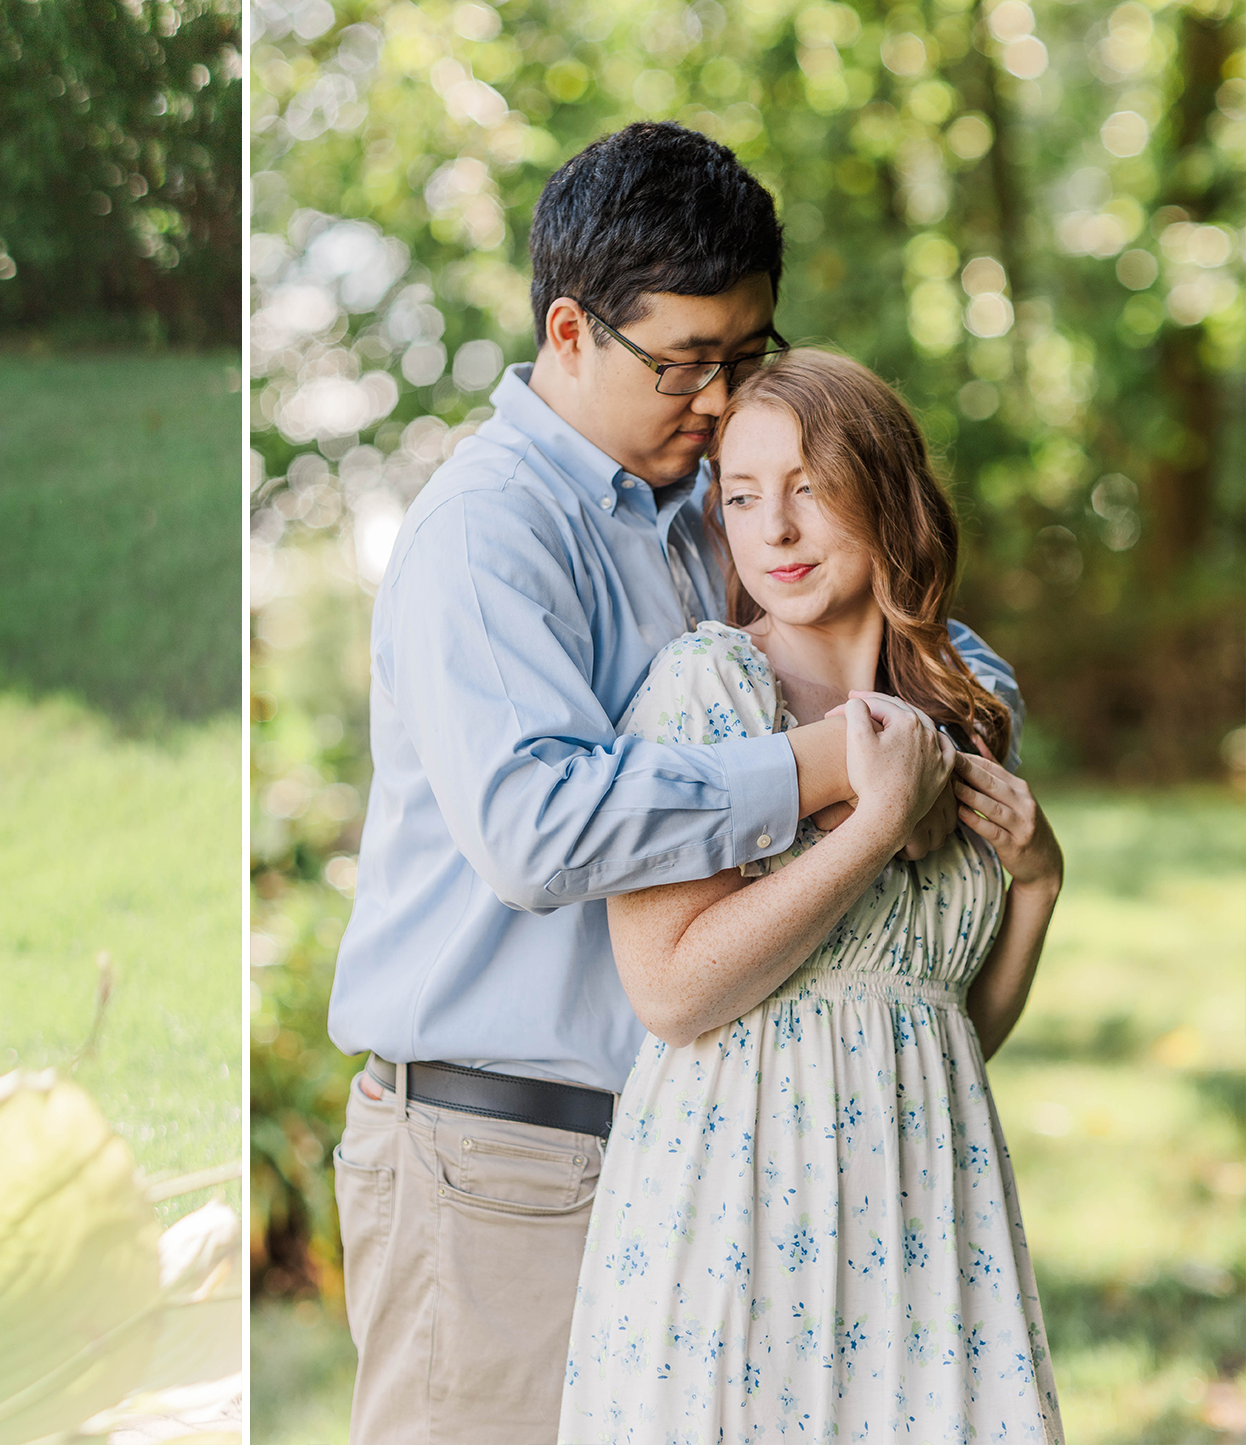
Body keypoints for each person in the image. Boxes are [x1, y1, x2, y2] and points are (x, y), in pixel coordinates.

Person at [326, 122, 1023, 1445]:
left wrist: (949, 735)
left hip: (694, 1163)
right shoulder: (490, 533)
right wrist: (819, 767)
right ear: (573, 331)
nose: (717, 402)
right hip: (502, 1158)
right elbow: (537, 826)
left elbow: (887, 626)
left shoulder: (693, 507)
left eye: (746, 358)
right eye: (688, 363)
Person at [558, 349, 1063, 1441]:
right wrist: (873, 830)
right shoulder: (708, 690)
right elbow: (671, 993)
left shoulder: (965, 711)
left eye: (807, 487)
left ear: (885, 493)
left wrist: (1037, 883)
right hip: (735, 1210)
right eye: (740, 496)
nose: (772, 530)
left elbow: (944, 1026)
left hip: (923, 1204)